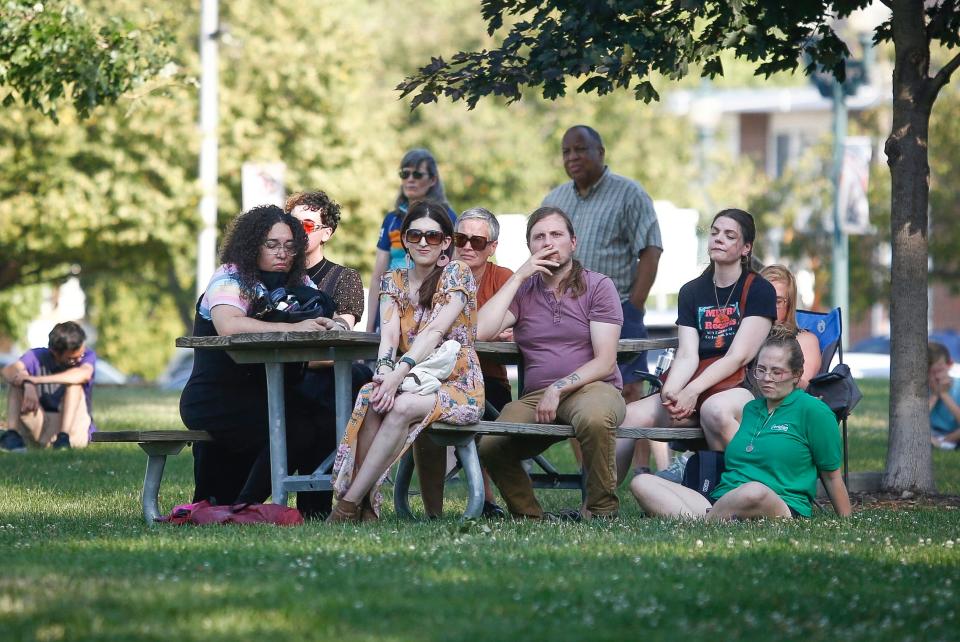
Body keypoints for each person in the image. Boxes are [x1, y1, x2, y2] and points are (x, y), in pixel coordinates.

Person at [328, 201, 484, 522]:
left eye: (432, 236)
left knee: (399, 405)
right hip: (411, 379)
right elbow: (388, 339)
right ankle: (368, 509)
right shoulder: (392, 280)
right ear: (405, 241)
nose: (423, 242)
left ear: (445, 242)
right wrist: (385, 375)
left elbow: (435, 330)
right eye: (415, 236)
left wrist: (398, 375)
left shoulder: (457, 273)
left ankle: (348, 505)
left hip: (458, 384)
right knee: (374, 397)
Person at [179, 205, 337, 518]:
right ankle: (242, 508)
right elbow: (230, 325)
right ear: (252, 245)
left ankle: (316, 514)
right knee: (296, 427)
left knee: (327, 420)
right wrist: (293, 326)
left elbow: (320, 323)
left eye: (290, 245)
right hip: (216, 398)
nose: (283, 253)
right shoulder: (231, 277)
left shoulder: (299, 282)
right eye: (272, 244)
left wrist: (334, 326)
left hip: (269, 397)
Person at [477, 207, 625, 521]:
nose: (548, 243)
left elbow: (605, 361)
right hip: (536, 396)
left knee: (596, 419)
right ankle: (532, 518)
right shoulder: (524, 291)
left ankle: (600, 512)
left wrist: (559, 388)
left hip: (592, 388)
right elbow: (479, 331)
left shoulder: (598, 286)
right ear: (529, 247)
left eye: (556, 235)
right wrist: (518, 276)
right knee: (491, 444)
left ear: (573, 242)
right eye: (539, 237)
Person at [616, 208, 777, 481]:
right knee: (628, 416)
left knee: (715, 411)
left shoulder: (760, 289)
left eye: (729, 235)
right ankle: (600, 504)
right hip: (696, 383)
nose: (718, 239)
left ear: (745, 248)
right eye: (714, 233)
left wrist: (691, 391)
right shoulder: (692, 291)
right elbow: (688, 355)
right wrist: (673, 392)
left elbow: (739, 356)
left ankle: (755, 486)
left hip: (742, 385)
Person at [542, 125, 666, 473]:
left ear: (601, 151)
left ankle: (639, 471)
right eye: (566, 151)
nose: (572, 157)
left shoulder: (629, 194)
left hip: (620, 308)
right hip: (566, 312)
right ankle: (592, 474)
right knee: (572, 388)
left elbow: (651, 249)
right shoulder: (555, 201)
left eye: (580, 149)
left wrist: (635, 306)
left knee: (628, 391)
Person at [630, 330, 852, 520]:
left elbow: (832, 476)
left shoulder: (813, 411)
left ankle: (704, 523)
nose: (766, 378)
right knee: (642, 483)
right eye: (761, 369)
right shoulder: (751, 409)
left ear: (796, 375)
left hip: (778, 504)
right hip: (720, 500)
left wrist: (846, 521)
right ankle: (711, 520)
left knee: (754, 492)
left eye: (777, 371)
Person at [415, 206, 515, 518]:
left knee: (486, 415)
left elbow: (518, 330)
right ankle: (434, 510)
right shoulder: (434, 274)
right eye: (461, 238)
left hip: (488, 376)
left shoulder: (504, 279)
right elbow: (421, 329)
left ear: (492, 248)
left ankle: (485, 501)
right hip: (437, 377)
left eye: (478, 242)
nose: (468, 246)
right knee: (419, 407)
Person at [285, 190, 372, 516]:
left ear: (326, 232)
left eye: (306, 225)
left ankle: (319, 506)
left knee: (335, 389)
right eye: (291, 225)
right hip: (280, 374)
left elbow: (339, 337)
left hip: (323, 374)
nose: (296, 233)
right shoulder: (273, 274)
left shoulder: (344, 278)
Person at [365, 149, 457, 332]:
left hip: (429, 307)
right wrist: (369, 328)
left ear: (433, 180)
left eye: (417, 174)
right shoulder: (392, 219)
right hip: (391, 302)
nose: (410, 179)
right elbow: (377, 277)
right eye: (404, 174)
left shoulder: (448, 218)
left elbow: (452, 269)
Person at [1, 321, 96, 451]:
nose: (79, 359)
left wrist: (36, 380)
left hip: (74, 426)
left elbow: (83, 374)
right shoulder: (37, 355)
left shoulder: (87, 355)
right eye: (72, 358)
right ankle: (12, 435)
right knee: (16, 382)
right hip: (42, 423)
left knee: (74, 384)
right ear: (54, 352)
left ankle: (63, 439)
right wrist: (27, 383)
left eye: (81, 355)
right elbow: (8, 371)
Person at [759, 264, 821, 388]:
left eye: (777, 301)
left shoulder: (804, 340)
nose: (769, 306)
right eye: (763, 298)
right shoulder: (743, 335)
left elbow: (802, 383)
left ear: (789, 305)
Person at [928, 341, 960, 450]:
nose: (935, 376)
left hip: (955, 433)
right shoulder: (922, 389)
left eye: (939, 371)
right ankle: (939, 444)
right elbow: (916, 420)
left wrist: (944, 394)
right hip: (931, 432)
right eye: (929, 373)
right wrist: (934, 396)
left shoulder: (958, 387)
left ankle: (942, 443)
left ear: (949, 365)